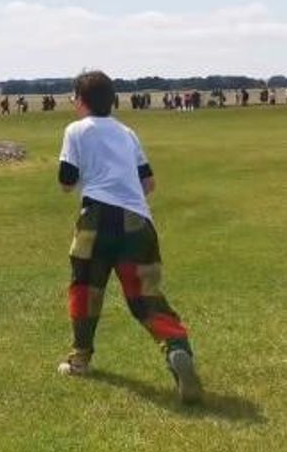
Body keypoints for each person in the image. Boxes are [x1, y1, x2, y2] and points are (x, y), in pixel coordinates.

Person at [55, 71, 201, 404]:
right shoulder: (127, 132)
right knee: (145, 295)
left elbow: (66, 181)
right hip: (137, 220)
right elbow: (149, 183)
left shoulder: (75, 130)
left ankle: (80, 358)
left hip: (95, 218)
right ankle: (177, 349)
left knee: (85, 289)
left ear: (80, 100)